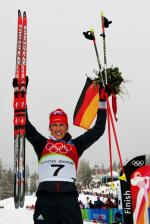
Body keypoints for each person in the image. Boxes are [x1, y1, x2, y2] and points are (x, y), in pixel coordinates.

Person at [13, 77, 107, 224]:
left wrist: (102, 102)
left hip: (68, 200)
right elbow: (25, 125)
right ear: (49, 128)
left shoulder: (76, 145)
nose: (58, 128)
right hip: (45, 200)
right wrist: (21, 96)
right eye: (55, 125)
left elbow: (98, 130)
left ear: (67, 127)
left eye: (61, 125)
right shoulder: (41, 144)